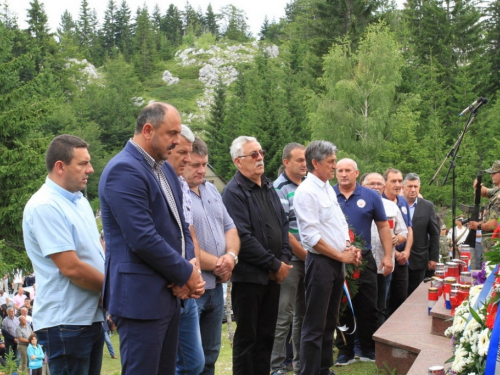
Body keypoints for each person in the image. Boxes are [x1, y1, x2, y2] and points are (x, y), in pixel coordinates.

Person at [99, 102, 204, 375]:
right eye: (171, 133)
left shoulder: (165, 169)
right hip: (140, 300)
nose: (176, 140)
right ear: (148, 130)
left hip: (168, 295)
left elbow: (182, 226)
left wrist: (189, 267)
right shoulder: (123, 170)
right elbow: (143, 238)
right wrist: (185, 274)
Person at [23, 134, 105, 375]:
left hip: (88, 316)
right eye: (82, 163)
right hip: (66, 322)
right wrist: (113, 288)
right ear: (60, 166)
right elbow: (71, 268)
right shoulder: (46, 205)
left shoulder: (78, 201)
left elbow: (94, 254)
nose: (90, 169)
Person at [222, 136, 292, 375]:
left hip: (273, 276)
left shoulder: (269, 186)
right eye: (253, 154)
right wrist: (274, 264)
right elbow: (242, 236)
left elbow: (283, 226)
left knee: (267, 336)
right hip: (250, 278)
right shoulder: (234, 192)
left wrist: (282, 261)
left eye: (260, 152)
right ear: (238, 162)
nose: (260, 157)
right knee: (247, 340)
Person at [293, 141, 361, 375]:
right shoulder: (306, 192)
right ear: (315, 163)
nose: (334, 166)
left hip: (335, 262)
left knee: (329, 321)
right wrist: (341, 255)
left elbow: (339, 225)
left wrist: (350, 248)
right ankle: (309, 372)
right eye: (331, 162)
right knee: (314, 324)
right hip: (320, 262)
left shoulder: (325, 187)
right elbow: (311, 237)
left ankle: (323, 369)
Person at [184, 137, 240, 375]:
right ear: (183, 162)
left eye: (204, 164)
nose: (202, 170)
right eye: (196, 165)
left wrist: (231, 257)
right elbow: (186, 241)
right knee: (190, 360)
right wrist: (220, 263)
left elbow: (231, 227)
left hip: (216, 287)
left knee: (210, 355)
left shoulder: (211, 190)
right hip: (193, 288)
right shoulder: (178, 193)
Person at [333, 158, 393, 366]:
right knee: (342, 307)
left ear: (356, 173)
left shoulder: (370, 196)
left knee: (369, 307)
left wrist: (387, 256)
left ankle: (368, 349)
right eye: (339, 170)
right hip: (337, 259)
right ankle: (345, 351)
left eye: (347, 170)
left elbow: (384, 227)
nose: (343, 174)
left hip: (364, 260)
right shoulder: (329, 195)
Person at [166, 125, 205, 375]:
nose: (188, 160)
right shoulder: (153, 180)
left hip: (186, 285)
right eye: (182, 152)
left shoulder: (181, 184)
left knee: (194, 363)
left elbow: (188, 233)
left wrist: (194, 273)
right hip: (166, 287)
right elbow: (148, 239)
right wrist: (182, 275)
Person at [271, 143, 308, 375]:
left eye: (306, 160)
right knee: (284, 315)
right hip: (292, 261)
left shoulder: (308, 186)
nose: (305, 164)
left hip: (312, 258)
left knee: (303, 315)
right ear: (286, 162)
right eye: (299, 160)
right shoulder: (279, 189)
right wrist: (304, 255)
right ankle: (275, 366)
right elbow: (284, 229)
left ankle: (300, 363)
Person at [362, 173, 408, 326]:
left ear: (383, 186)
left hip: (384, 263)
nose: (375, 187)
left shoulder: (391, 206)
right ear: (363, 185)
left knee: (381, 306)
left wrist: (397, 238)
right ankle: (360, 345)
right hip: (360, 264)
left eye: (378, 184)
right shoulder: (357, 205)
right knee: (362, 306)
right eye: (371, 184)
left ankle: (377, 345)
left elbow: (404, 232)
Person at [402, 173, 440, 295]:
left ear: (419, 188)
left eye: (415, 186)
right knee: (398, 295)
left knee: (415, 295)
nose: (413, 190)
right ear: (403, 187)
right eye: (409, 186)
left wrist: (434, 258)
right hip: (398, 257)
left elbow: (434, 233)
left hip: (419, 258)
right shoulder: (396, 204)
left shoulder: (427, 206)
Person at [382, 168, 413, 316]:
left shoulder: (403, 202)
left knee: (400, 298)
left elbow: (408, 229)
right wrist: (395, 253)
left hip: (402, 261)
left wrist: (406, 252)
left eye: (400, 181)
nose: (398, 184)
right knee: (384, 299)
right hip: (386, 259)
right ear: (385, 183)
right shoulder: (379, 202)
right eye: (393, 181)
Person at [469, 161, 500, 254]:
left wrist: (478, 226)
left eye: (494, 173)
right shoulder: (497, 191)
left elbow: (494, 224)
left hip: (494, 246)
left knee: (492, 268)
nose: (491, 176)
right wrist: (477, 187)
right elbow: (485, 192)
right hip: (491, 244)